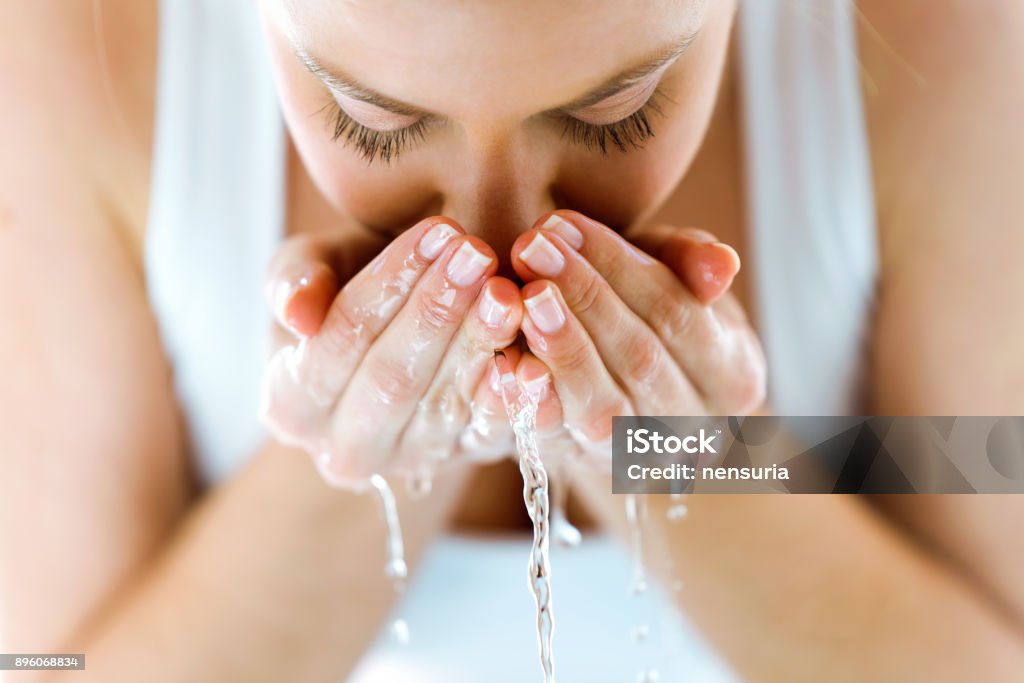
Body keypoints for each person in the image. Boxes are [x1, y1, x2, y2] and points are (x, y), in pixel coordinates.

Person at [2, 0, 1023, 680]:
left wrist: (682, 460)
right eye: (372, 121)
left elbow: (989, 506)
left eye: (616, 114)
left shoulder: (948, 42)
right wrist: (367, 457)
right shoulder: (72, 56)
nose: (499, 242)